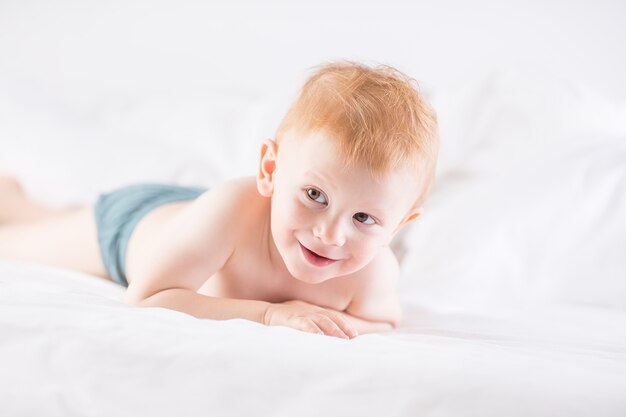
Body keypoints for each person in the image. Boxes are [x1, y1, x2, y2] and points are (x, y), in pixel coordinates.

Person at [0, 61, 438, 339]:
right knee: (15, 243)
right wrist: (270, 316)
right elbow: (147, 297)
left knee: (48, 222)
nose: (331, 233)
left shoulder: (374, 273)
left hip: (201, 227)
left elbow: (384, 322)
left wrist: (318, 322)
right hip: (134, 225)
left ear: (399, 225)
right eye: (315, 195)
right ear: (270, 171)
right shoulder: (228, 207)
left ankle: (29, 207)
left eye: (364, 218)